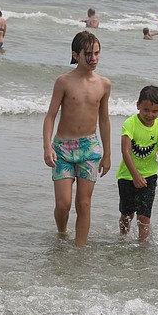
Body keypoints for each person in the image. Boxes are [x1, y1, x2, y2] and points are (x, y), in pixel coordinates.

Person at [43, 31, 112, 246]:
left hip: (89, 148)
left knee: (84, 204)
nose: (93, 58)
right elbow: (51, 116)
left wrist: (107, 154)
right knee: (63, 204)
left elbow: (104, 120)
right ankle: (62, 232)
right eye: (88, 54)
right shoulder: (63, 81)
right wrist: (47, 147)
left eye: (97, 53)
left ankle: (80, 251)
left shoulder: (104, 84)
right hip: (63, 148)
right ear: (76, 54)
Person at [117, 85, 158, 241]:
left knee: (144, 215)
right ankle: (123, 237)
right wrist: (135, 175)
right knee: (127, 214)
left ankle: (142, 245)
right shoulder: (130, 124)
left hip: (149, 176)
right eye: (146, 110)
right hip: (127, 176)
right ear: (138, 105)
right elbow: (125, 151)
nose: (150, 115)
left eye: (154, 111)